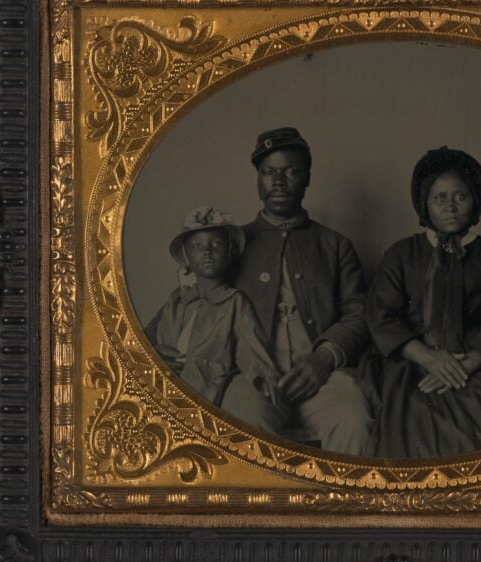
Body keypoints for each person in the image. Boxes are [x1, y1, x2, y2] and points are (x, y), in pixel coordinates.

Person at [368, 148, 481, 460]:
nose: (450, 206)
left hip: (474, 364)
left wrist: (465, 366)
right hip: (412, 364)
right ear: (423, 203)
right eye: (439, 198)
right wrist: (429, 358)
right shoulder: (401, 254)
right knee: (412, 428)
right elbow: (382, 316)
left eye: (460, 196)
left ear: (475, 200)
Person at [232, 126, 374, 455]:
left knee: (353, 419)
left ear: (308, 178)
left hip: (323, 377)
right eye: (269, 172)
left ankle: (347, 506)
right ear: (258, 178)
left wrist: (323, 359)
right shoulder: (232, 243)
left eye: (291, 171)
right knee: (242, 426)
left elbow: (360, 314)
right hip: (252, 377)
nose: (279, 182)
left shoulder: (335, 245)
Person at [143, 206, 282, 414]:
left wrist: (263, 377)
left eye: (216, 244)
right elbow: (145, 340)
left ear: (229, 253)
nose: (207, 252)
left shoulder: (234, 302)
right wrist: (155, 354)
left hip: (206, 387)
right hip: (164, 384)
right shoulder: (177, 299)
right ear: (187, 257)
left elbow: (250, 345)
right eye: (197, 246)